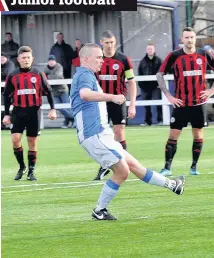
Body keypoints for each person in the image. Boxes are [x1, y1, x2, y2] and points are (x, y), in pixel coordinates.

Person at [70, 43, 185, 220]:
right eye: (98, 57)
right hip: (94, 135)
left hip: (102, 134)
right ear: (86, 59)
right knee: (122, 171)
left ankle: (173, 185)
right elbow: (85, 94)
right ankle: (99, 210)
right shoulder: (85, 74)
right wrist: (112, 97)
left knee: (134, 166)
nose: (102, 60)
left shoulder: (87, 75)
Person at [156, 27, 214, 176]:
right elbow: (160, 74)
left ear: (195, 38)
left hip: (198, 104)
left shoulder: (204, 54)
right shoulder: (174, 56)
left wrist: (212, 90)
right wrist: (168, 95)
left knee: (198, 135)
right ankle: (167, 168)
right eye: (186, 37)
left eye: (192, 37)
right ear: (182, 39)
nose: (189, 40)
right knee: (173, 135)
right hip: (180, 103)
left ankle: (194, 167)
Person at [2, 46, 57, 181]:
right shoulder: (13, 75)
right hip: (18, 112)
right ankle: (22, 166)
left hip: (34, 112)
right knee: (15, 140)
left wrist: (52, 109)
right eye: (23, 58)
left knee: (32, 141)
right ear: (18, 59)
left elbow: (48, 91)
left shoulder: (38, 73)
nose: (26, 60)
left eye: (28, 57)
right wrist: (6, 114)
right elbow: (7, 96)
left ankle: (31, 171)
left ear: (32, 59)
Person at [93, 30, 137, 181]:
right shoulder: (96, 59)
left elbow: (131, 82)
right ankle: (104, 165)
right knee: (100, 136)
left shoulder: (124, 60)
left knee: (119, 133)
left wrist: (132, 105)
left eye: (112, 42)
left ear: (115, 42)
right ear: (101, 43)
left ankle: (122, 165)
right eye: (106, 43)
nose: (110, 45)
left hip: (118, 102)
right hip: (100, 103)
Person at [44, 55, 74, 128]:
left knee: (67, 107)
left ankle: (67, 123)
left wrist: (48, 77)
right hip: (54, 92)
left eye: (52, 61)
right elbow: (44, 77)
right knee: (57, 106)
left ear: (55, 61)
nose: (51, 62)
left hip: (63, 90)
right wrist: (49, 77)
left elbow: (58, 76)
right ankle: (73, 118)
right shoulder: (46, 68)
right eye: (49, 61)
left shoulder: (59, 66)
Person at [138, 43, 163, 126]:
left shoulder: (159, 60)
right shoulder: (142, 61)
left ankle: (160, 120)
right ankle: (147, 122)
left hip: (156, 86)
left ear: (154, 50)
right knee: (146, 105)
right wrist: (141, 85)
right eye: (148, 49)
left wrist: (160, 84)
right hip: (145, 87)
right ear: (146, 50)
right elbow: (140, 73)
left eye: (151, 49)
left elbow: (162, 72)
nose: (150, 50)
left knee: (159, 104)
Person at [1, 53, 16, 130]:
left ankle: (11, 124)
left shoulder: (10, 64)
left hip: (11, 90)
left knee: (10, 107)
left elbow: (8, 75)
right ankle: (4, 124)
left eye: (3, 57)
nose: (2, 59)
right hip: (2, 90)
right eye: (1, 57)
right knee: (4, 107)